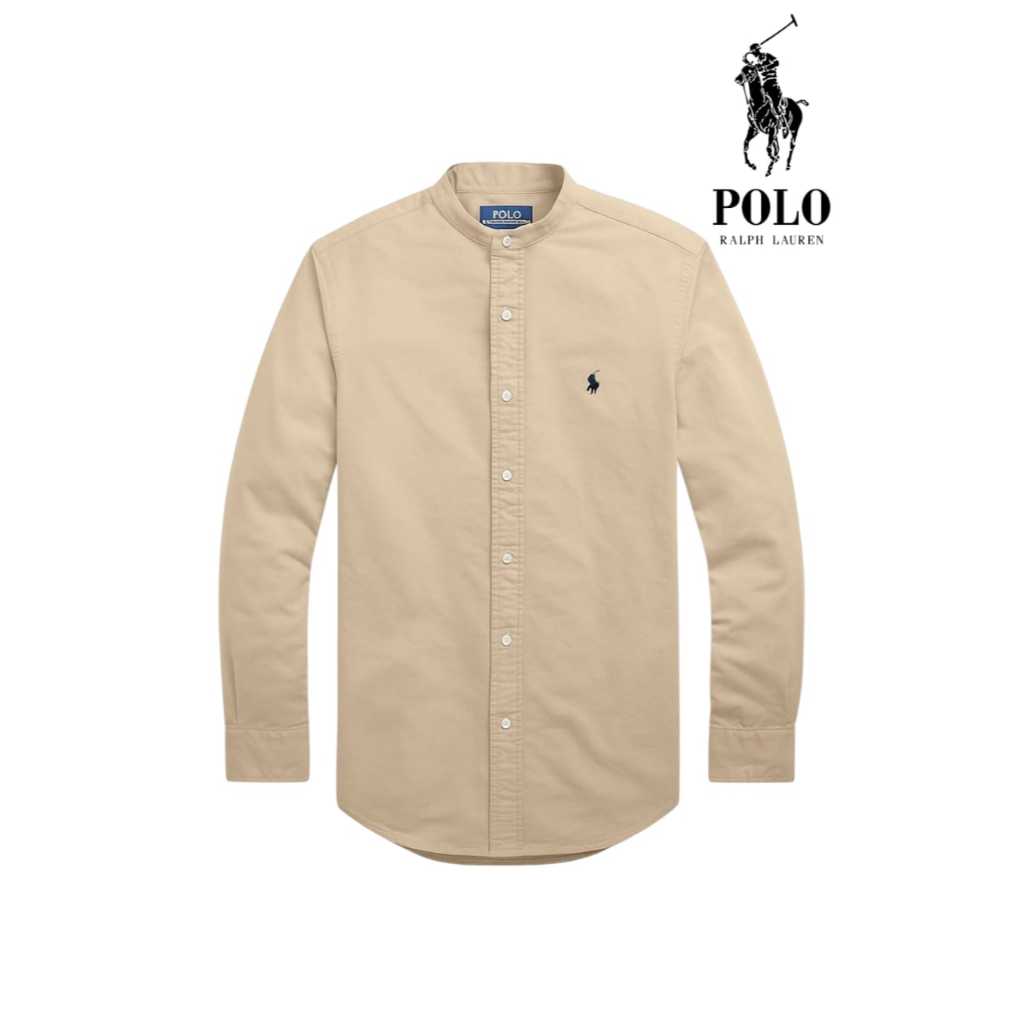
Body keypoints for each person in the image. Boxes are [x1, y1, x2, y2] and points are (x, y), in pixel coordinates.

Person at [748, 42, 788, 136]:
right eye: (752, 53)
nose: (754, 54)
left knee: (775, 104)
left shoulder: (767, 56)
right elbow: (752, 69)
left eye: (754, 52)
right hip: (764, 85)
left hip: (772, 83)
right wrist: (746, 61)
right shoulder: (756, 62)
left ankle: (784, 124)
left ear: (758, 50)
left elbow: (777, 63)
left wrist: (765, 67)